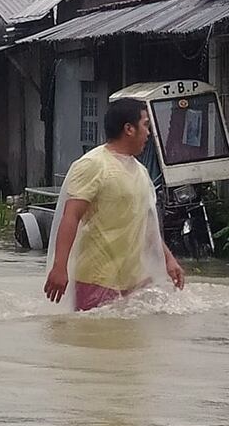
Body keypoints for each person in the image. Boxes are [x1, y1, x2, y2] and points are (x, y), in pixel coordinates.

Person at [43, 98, 185, 311]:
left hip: (134, 279)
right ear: (129, 128)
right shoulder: (93, 165)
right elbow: (71, 215)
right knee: (94, 340)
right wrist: (59, 266)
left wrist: (169, 260)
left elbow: (146, 225)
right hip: (97, 278)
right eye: (146, 125)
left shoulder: (141, 172)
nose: (149, 133)